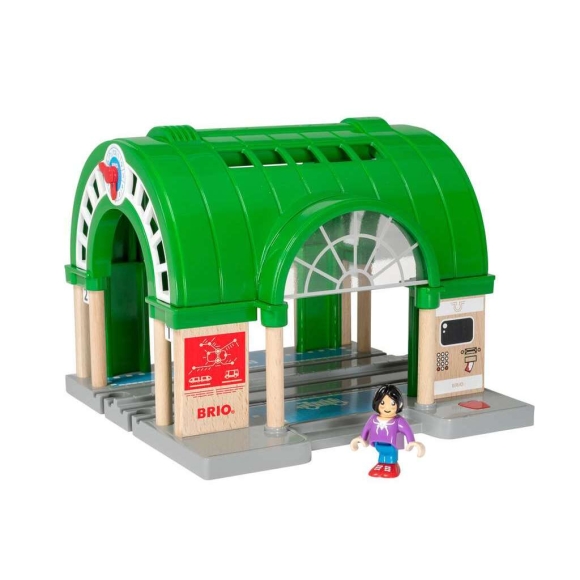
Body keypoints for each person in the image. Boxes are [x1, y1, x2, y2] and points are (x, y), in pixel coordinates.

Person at [350, 384, 425, 478]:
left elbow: (407, 431)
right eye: (382, 403)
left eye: (392, 403)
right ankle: (380, 464)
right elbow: (366, 429)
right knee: (382, 456)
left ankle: (392, 465)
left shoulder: (398, 421)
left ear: (398, 404)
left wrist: (412, 442)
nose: (387, 407)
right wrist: (361, 439)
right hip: (378, 445)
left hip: (392, 446)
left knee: (390, 456)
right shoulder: (373, 419)